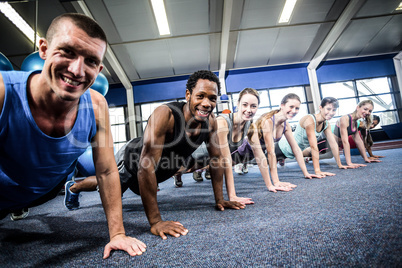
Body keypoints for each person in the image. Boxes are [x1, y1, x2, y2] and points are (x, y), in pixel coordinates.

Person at [0, 13, 146, 258]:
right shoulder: (4, 92)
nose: (77, 70)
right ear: (44, 49)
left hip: (45, 191)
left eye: (90, 61)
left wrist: (118, 234)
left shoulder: (97, 105)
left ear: (98, 69)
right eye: (67, 52)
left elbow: (108, 171)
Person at [65, 70, 244, 240]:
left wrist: (220, 200)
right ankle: (74, 187)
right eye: (200, 96)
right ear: (188, 95)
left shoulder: (210, 122)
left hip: (159, 168)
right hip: (132, 160)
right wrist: (156, 222)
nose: (207, 103)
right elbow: (145, 167)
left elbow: (216, 160)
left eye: (212, 99)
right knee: (106, 185)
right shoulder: (166, 115)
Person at [245, 93, 321, 193]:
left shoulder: (286, 125)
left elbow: (296, 149)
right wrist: (275, 181)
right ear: (282, 105)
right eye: (291, 107)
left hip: (255, 154)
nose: (294, 111)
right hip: (242, 152)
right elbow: (270, 153)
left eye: (297, 108)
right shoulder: (268, 122)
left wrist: (306, 173)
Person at [278, 97, 353, 176]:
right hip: (282, 149)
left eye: (334, 110)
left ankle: (283, 158)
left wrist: (339, 164)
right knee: (266, 165)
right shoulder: (309, 120)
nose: (331, 113)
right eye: (328, 109)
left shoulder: (326, 124)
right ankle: (281, 158)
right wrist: (317, 171)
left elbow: (333, 144)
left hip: (297, 152)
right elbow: (314, 147)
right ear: (320, 108)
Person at [332, 100, 381, 167]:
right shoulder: (345, 118)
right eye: (365, 109)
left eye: (370, 111)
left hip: (331, 148)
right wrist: (349, 163)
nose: (367, 112)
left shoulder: (356, 122)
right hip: (324, 144)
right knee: (313, 155)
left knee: (325, 156)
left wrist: (366, 158)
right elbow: (345, 142)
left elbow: (359, 141)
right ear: (358, 107)